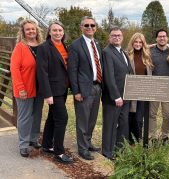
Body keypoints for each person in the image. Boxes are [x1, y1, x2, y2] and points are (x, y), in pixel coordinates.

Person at [36, 21, 73, 164]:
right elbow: (42, 72)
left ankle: (46, 144)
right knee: (62, 118)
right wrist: (47, 94)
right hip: (53, 90)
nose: (58, 33)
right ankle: (59, 152)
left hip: (63, 88)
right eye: (55, 30)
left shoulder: (64, 46)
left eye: (60, 30)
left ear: (63, 32)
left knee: (52, 117)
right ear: (49, 32)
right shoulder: (44, 48)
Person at [68, 16, 102, 160]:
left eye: (92, 25)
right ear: (81, 27)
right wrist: (76, 91)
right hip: (83, 89)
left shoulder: (97, 44)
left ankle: (88, 143)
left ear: (95, 28)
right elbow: (72, 70)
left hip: (97, 86)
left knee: (92, 119)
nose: (90, 28)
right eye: (86, 25)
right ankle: (82, 148)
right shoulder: (76, 45)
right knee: (83, 120)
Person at [10, 19, 44, 157]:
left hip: (40, 88)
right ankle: (23, 144)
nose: (31, 31)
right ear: (23, 32)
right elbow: (14, 68)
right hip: (24, 88)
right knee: (24, 117)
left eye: (33, 28)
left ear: (37, 30)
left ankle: (33, 139)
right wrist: (20, 88)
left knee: (37, 114)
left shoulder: (42, 46)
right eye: (28, 29)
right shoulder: (20, 47)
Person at [102, 26, 133, 160]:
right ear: (110, 38)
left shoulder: (123, 52)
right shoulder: (107, 52)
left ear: (122, 37)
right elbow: (109, 76)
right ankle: (107, 152)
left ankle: (120, 149)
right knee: (110, 124)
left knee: (123, 123)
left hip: (125, 96)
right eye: (114, 35)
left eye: (119, 35)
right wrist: (116, 96)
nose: (116, 37)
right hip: (113, 98)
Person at [126, 33, 153, 144]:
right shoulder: (127, 55)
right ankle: (128, 139)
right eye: (136, 42)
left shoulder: (147, 56)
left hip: (143, 91)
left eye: (140, 42)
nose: (138, 44)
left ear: (143, 43)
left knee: (138, 118)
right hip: (131, 90)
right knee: (130, 116)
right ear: (132, 43)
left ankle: (138, 138)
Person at [149, 29, 169, 144]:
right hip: (154, 87)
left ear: (167, 38)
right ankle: (152, 136)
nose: (162, 38)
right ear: (156, 39)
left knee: (167, 115)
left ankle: (164, 136)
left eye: (164, 36)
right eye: (159, 36)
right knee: (151, 114)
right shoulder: (150, 51)